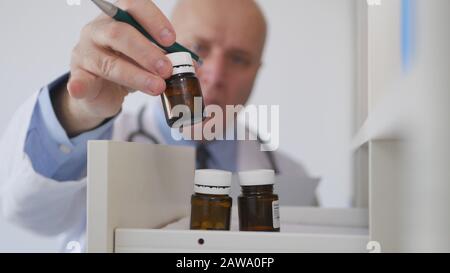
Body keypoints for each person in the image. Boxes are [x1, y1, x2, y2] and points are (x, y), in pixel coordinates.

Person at [0, 0, 318, 251]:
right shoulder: (100, 142)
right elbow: (30, 216)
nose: (216, 74)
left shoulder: (290, 177)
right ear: (164, 51)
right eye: (199, 49)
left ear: (257, 70)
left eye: (238, 59)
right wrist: (79, 112)